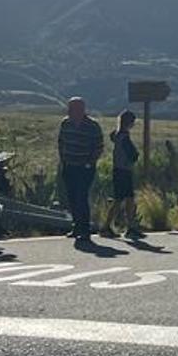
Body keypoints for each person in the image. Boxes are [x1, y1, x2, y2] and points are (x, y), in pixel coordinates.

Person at [57, 96, 104, 246]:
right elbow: (61, 142)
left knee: (81, 197)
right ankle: (76, 226)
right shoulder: (65, 123)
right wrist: (63, 160)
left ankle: (84, 229)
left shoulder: (92, 125)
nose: (70, 111)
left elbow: (99, 146)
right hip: (69, 166)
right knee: (71, 197)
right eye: (69, 108)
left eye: (73, 108)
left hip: (85, 168)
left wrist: (90, 162)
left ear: (81, 109)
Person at [105, 109, 141, 238]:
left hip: (119, 170)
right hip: (123, 170)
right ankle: (108, 227)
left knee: (125, 199)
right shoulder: (124, 137)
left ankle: (129, 226)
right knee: (120, 200)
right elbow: (133, 155)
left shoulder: (118, 135)